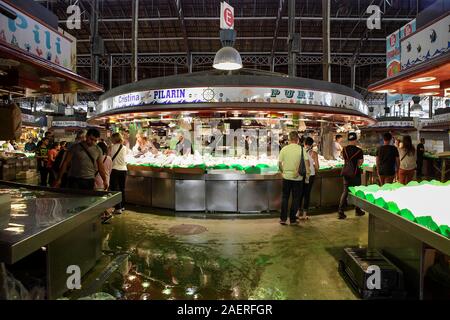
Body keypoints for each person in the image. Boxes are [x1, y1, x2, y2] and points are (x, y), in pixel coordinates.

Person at [278, 131, 310, 225]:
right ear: (297, 139)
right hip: (298, 178)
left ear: (289, 139)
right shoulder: (301, 149)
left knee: (285, 197)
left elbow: (279, 164)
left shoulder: (284, 149)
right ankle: (292, 220)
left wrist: (283, 172)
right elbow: (307, 164)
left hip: (286, 177)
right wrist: (307, 176)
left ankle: (283, 219)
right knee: (296, 198)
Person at [337, 132, 365, 219]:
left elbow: (343, 158)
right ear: (355, 140)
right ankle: (357, 210)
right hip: (355, 174)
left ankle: (340, 211)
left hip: (346, 173)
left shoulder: (344, 149)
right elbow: (360, 163)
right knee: (357, 192)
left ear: (348, 139)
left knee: (345, 192)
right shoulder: (359, 151)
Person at [298, 137, 319, 220]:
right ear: (312, 144)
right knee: (307, 194)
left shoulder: (300, 151)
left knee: (300, 193)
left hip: (301, 174)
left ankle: (297, 213)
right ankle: (304, 214)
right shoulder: (314, 153)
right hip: (311, 175)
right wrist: (313, 166)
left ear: (304, 143)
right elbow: (317, 167)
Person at [109, 132, 128, 214]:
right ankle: (123, 206)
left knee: (115, 189)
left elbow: (109, 158)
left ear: (114, 139)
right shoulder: (124, 148)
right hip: (124, 169)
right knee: (122, 188)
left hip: (115, 169)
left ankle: (118, 208)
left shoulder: (111, 147)